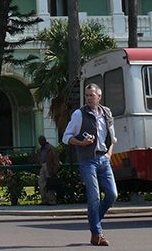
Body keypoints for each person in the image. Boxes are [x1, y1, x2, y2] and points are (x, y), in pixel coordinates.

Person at [63, 83, 118, 247]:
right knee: (94, 197)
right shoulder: (79, 114)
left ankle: (94, 224)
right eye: (86, 95)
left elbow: (113, 138)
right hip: (88, 160)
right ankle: (97, 233)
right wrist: (81, 142)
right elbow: (66, 137)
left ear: (99, 97)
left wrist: (109, 154)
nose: (88, 98)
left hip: (103, 159)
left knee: (112, 194)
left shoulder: (106, 112)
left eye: (91, 95)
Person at [37, 135, 60, 205]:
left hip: (49, 166)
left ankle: (51, 200)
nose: (40, 143)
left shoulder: (51, 148)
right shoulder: (41, 149)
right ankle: (44, 199)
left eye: (41, 141)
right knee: (41, 183)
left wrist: (54, 169)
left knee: (50, 184)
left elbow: (55, 160)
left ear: (44, 140)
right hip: (43, 165)